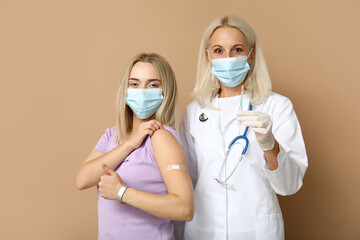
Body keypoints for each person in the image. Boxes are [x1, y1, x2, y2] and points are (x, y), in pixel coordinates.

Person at [179, 16, 308, 240]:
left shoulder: (277, 106)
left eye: (237, 49)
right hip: (203, 229)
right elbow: (186, 181)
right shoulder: (194, 112)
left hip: (256, 228)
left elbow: (290, 184)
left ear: (252, 53)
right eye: (219, 50)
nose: (227, 58)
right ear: (208, 56)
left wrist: (270, 145)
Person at [76, 53, 194, 240]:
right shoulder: (112, 135)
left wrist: (122, 192)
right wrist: (129, 144)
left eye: (153, 85)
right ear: (126, 88)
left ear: (165, 91)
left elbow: (184, 208)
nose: (142, 91)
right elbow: (82, 180)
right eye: (135, 84)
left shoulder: (160, 137)